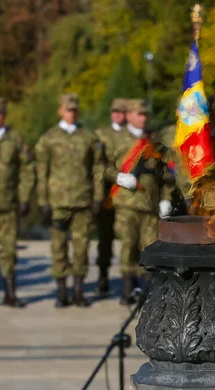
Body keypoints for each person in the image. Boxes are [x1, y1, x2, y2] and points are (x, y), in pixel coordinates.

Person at [35, 93, 104, 308]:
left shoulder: (89, 137)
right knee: (58, 247)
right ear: (60, 111)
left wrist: (98, 196)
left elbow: (98, 168)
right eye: (68, 110)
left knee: (82, 247)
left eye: (74, 110)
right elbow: (41, 171)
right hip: (57, 201)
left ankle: (78, 291)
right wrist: (42, 200)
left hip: (82, 200)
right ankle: (62, 290)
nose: (71, 113)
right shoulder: (48, 138)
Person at [108, 99, 174, 305]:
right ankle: (127, 289)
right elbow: (101, 167)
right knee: (128, 245)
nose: (143, 118)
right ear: (128, 116)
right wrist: (118, 177)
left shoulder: (153, 143)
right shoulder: (117, 140)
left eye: (145, 115)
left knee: (150, 248)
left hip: (150, 205)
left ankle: (146, 290)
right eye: (139, 114)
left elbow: (165, 176)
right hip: (127, 203)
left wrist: (166, 200)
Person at [0, 97, 35, 307]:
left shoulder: (15, 139)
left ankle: (10, 293)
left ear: (4, 115)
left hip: (8, 202)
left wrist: (25, 197)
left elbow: (28, 169)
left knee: (9, 249)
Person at [93, 97, 127, 296]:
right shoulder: (101, 134)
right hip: (108, 195)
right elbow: (98, 165)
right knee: (104, 239)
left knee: (130, 239)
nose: (118, 115)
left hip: (129, 196)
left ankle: (129, 281)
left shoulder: (133, 134)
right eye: (115, 111)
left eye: (122, 112)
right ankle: (103, 276)